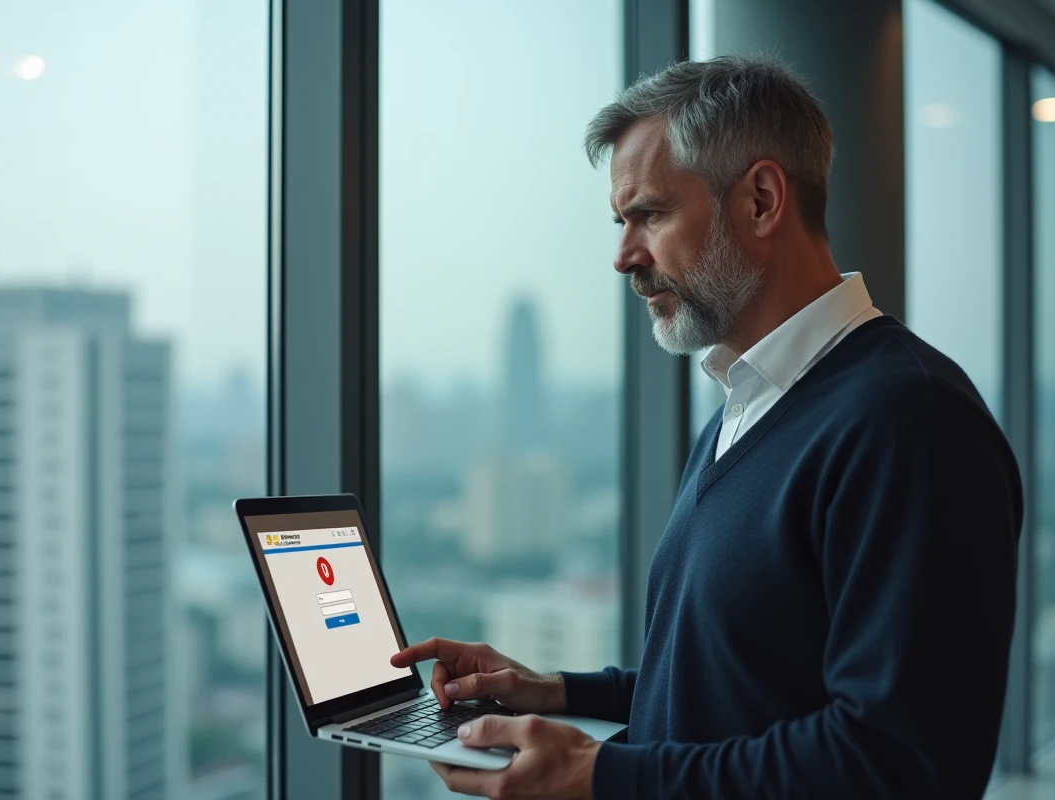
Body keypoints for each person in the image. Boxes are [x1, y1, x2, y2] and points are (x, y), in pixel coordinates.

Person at [391, 55, 1022, 799]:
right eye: (621, 222)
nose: (624, 256)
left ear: (760, 200)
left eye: (649, 214)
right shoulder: (748, 400)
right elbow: (733, 682)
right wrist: (555, 692)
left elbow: (897, 763)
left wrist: (601, 775)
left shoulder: (909, 422)